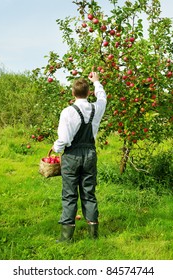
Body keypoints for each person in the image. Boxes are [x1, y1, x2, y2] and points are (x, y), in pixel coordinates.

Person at [48, 72, 107, 242]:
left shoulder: (68, 112)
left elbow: (64, 139)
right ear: (89, 93)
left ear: (73, 93)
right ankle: (93, 235)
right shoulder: (97, 108)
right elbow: (102, 98)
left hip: (72, 155)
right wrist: (96, 82)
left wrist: (56, 147)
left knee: (69, 194)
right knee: (89, 192)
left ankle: (66, 238)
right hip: (90, 153)